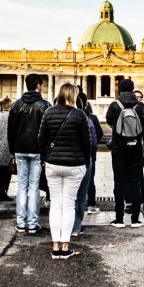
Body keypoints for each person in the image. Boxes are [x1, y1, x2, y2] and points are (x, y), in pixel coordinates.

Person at [39, 83, 92, 259]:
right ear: (74, 96)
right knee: (69, 204)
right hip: (74, 164)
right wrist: (85, 161)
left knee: (55, 204)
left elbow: (41, 139)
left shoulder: (49, 112)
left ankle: (55, 246)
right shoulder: (79, 114)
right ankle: (65, 245)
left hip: (53, 164)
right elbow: (87, 142)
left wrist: (46, 157)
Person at [8, 74, 50, 234]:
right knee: (34, 187)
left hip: (19, 149)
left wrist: (12, 150)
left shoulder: (16, 104)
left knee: (22, 186)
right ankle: (32, 224)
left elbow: (10, 130)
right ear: (39, 85)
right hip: (37, 151)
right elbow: (47, 131)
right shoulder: (45, 105)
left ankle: (20, 222)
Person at [106, 78, 144, 228]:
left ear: (120, 90)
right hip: (135, 148)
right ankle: (135, 219)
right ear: (132, 89)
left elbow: (109, 121)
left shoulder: (115, 105)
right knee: (136, 181)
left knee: (119, 182)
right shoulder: (139, 106)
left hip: (119, 148)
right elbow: (142, 126)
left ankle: (119, 218)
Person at [71, 91, 103, 236]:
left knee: (67, 195)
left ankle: (62, 227)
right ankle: (77, 225)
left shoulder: (57, 115)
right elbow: (95, 139)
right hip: (84, 158)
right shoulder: (89, 118)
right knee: (84, 189)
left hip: (63, 160)